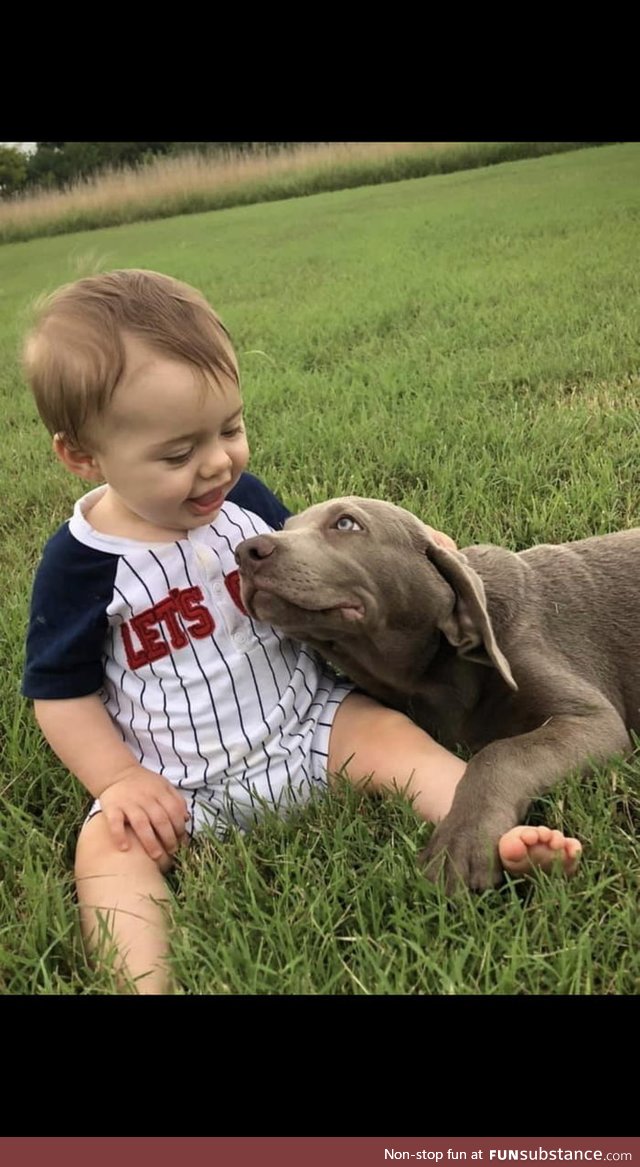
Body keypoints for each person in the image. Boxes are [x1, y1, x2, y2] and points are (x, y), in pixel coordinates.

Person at [21, 270, 582, 994]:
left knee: (393, 737)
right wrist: (121, 780)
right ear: (83, 455)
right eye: (177, 452)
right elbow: (60, 696)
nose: (218, 461)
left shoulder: (241, 502)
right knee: (107, 844)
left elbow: (314, 562)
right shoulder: (79, 565)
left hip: (308, 721)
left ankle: (490, 834)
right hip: (178, 776)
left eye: (230, 428)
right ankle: (143, 979)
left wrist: (424, 548)